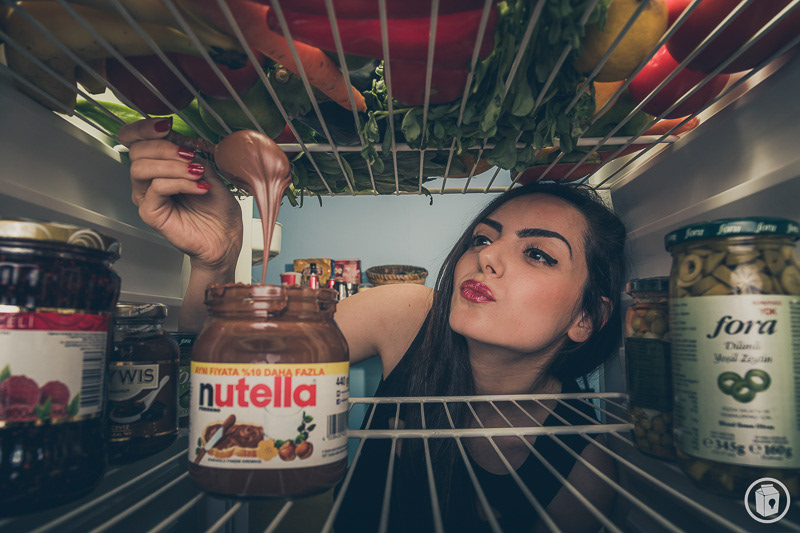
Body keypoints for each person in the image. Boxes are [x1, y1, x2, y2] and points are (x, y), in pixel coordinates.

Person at [119, 118, 628, 532]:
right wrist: (216, 261)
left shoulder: (584, 464)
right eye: (482, 238)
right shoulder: (408, 313)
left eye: (537, 254)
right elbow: (231, 373)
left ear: (587, 318)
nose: (487, 256)